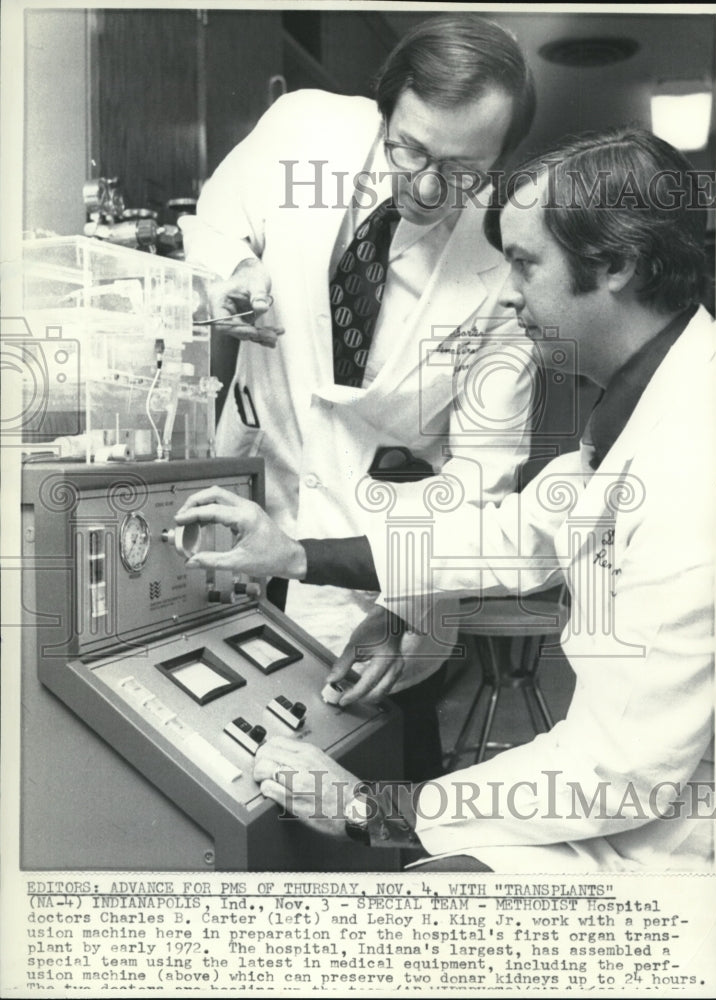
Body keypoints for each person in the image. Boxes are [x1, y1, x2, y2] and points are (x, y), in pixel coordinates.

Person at [176, 126, 716, 872]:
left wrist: (376, 810)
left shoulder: (691, 456)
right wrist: (298, 554)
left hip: (672, 847)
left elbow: (620, 769)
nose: (511, 293)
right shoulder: (655, 395)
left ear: (617, 265)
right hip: (631, 807)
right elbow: (515, 534)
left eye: (525, 265)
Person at [180, 14, 538, 780]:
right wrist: (229, 275)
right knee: (213, 755)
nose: (429, 186)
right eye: (410, 149)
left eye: (465, 169)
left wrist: (408, 602)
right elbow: (215, 221)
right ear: (384, 108)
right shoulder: (301, 126)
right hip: (250, 494)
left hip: (371, 574)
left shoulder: (509, 272)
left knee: (364, 779)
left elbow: (482, 476)